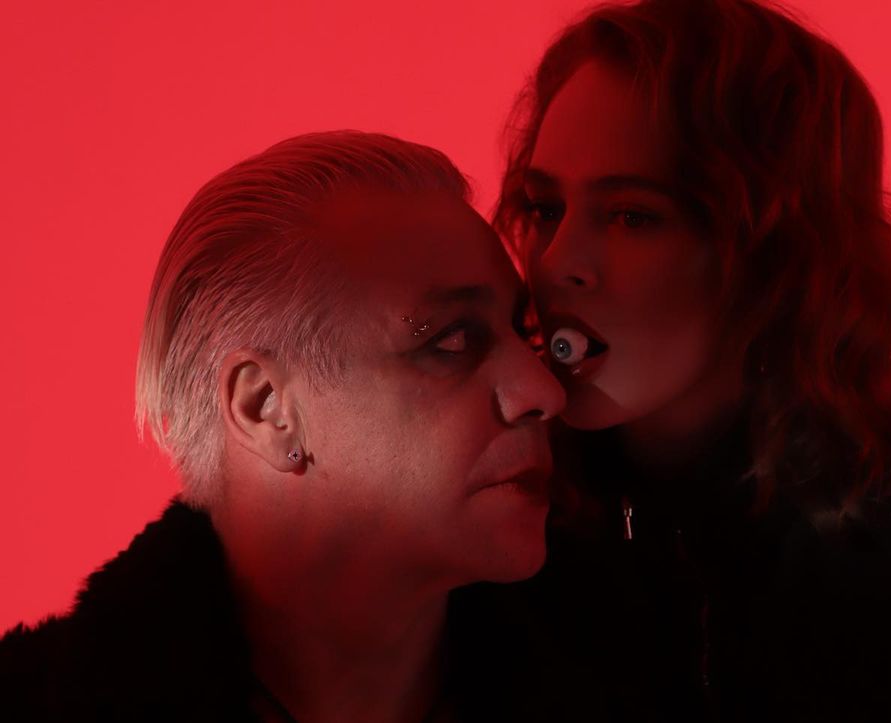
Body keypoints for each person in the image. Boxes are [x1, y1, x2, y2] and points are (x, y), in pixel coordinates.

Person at [494, 1, 891, 721]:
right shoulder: (512, 508)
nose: (557, 264)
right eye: (544, 208)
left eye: (633, 215)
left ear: (775, 248)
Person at [0, 130, 613, 722]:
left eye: (525, 335)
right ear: (266, 408)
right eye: (451, 341)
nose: (545, 391)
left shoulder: (640, 681)